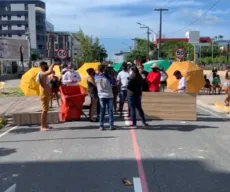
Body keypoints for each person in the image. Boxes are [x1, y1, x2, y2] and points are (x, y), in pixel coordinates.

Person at [36, 61, 56, 131]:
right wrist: (53, 64)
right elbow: (50, 71)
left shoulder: (44, 74)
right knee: (44, 111)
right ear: (41, 66)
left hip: (46, 93)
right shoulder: (41, 73)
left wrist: (50, 93)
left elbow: (47, 85)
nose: (47, 66)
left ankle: (45, 125)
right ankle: (42, 126)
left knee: (46, 110)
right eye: (46, 65)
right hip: (44, 94)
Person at [95, 65, 115, 131]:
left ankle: (101, 126)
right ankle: (111, 125)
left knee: (102, 111)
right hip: (109, 95)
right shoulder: (108, 78)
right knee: (110, 111)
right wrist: (111, 77)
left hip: (101, 96)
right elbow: (114, 83)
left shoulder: (96, 77)